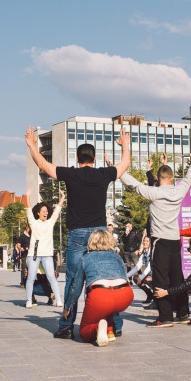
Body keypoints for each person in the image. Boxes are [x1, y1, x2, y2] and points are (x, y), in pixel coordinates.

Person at [26, 125, 130, 340]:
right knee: (105, 274)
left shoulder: (71, 174)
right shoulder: (103, 174)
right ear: (94, 159)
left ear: (77, 157)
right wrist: (125, 145)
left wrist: (32, 146)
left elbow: (44, 166)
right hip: (101, 234)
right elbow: (124, 165)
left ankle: (66, 326)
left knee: (74, 279)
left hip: (78, 234)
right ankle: (115, 325)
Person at [120, 146, 191, 327]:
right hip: (174, 241)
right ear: (172, 179)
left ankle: (165, 317)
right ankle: (183, 314)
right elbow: (188, 179)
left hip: (159, 241)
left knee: (159, 277)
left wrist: (118, 172)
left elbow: (134, 184)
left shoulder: (154, 193)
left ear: (157, 179)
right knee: (177, 277)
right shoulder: (179, 191)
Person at [77, 229, 133, 346]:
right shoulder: (116, 257)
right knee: (110, 306)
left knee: (83, 332)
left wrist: (68, 307)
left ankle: (98, 329)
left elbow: (76, 287)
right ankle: (110, 331)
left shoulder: (86, 258)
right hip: (125, 294)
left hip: (101, 296)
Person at [24, 189, 65, 308]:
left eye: (46, 211)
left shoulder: (50, 223)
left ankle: (58, 300)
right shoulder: (34, 223)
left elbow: (57, 210)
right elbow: (28, 210)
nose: (45, 213)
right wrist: (27, 197)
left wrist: (62, 197)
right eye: (43, 211)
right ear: (38, 213)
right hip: (34, 255)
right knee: (31, 277)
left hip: (47, 255)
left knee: (52, 277)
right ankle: (29, 301)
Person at [126, 237, 154, 307]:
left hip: (156, 275)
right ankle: (150, 295)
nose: (145, 242)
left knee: (146, 279)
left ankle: (157, 298)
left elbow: (149, 267)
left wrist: (141, 278)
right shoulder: (144, 254)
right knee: (135, 278)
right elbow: (137, 267)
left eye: (147, 241)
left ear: (151, 243)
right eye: (144, 241)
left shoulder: (152, 253)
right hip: (149, 275)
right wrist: (124, 276)